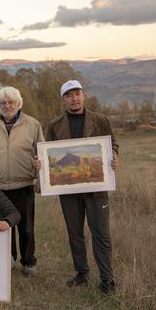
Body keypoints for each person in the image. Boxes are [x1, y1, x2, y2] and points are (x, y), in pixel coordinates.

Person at [38, 80, 119, 293]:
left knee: (101, 233)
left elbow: (113, 146)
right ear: (63, 99)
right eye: (69, 95)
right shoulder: (54, 126)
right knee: (75, 233)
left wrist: (115, 157)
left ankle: (107, 279)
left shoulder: (101, 120)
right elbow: (49, 155)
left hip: (97, 189)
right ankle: (82, 273)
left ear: (83, 96)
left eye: (77, 94)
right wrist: (42, 163)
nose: (74, 99)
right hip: (68, 190)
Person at [0, 86, 44, 276]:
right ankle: (9, 259)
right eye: (3, 103)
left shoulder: (33, 125)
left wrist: (41, 178)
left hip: (23, 185)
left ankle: (28, 262)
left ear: (19, 104)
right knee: (2, 226)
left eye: (11, 102)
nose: (7, 106)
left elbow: (42, 154)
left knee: (26, 228)